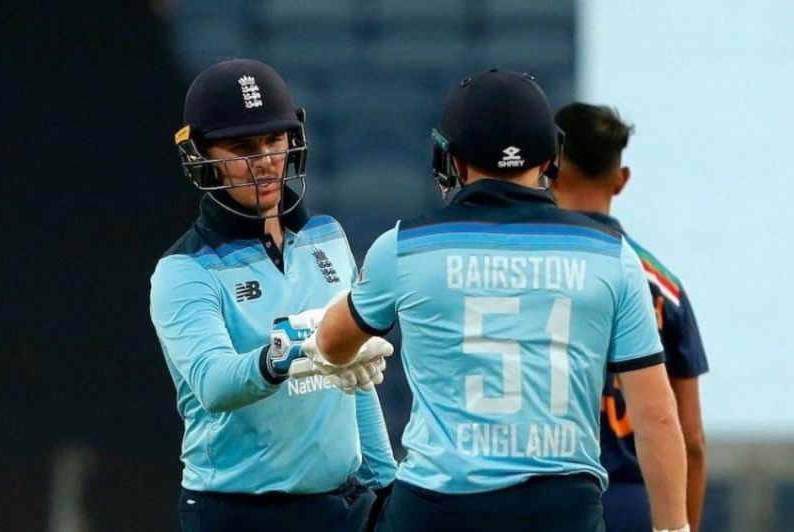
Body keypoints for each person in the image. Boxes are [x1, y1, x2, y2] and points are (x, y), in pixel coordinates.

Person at [291, 69, 690, 531]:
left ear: (451, 160)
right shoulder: (612, 256)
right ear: (551, 158)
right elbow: (657, 416)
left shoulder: (402, 247)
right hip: (562, 510)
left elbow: (333, 344)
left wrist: (337, 337)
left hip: (438, 509)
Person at [149, 58, 396, 532]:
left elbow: (353, 381)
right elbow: (214, 383)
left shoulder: (327, 237)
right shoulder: (182, 271)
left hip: (344, 505)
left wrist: (387, 484)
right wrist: (297, 348)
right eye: (241, 146)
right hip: (238, 511)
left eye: (273, 140)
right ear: (202, 155)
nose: (263, 159)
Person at [552, 102, 709, 532]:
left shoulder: (529, 270)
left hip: (546, 497)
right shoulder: (664, 286)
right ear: (621, 180)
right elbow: (690, 440)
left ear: (550, 171)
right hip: (635, 503)